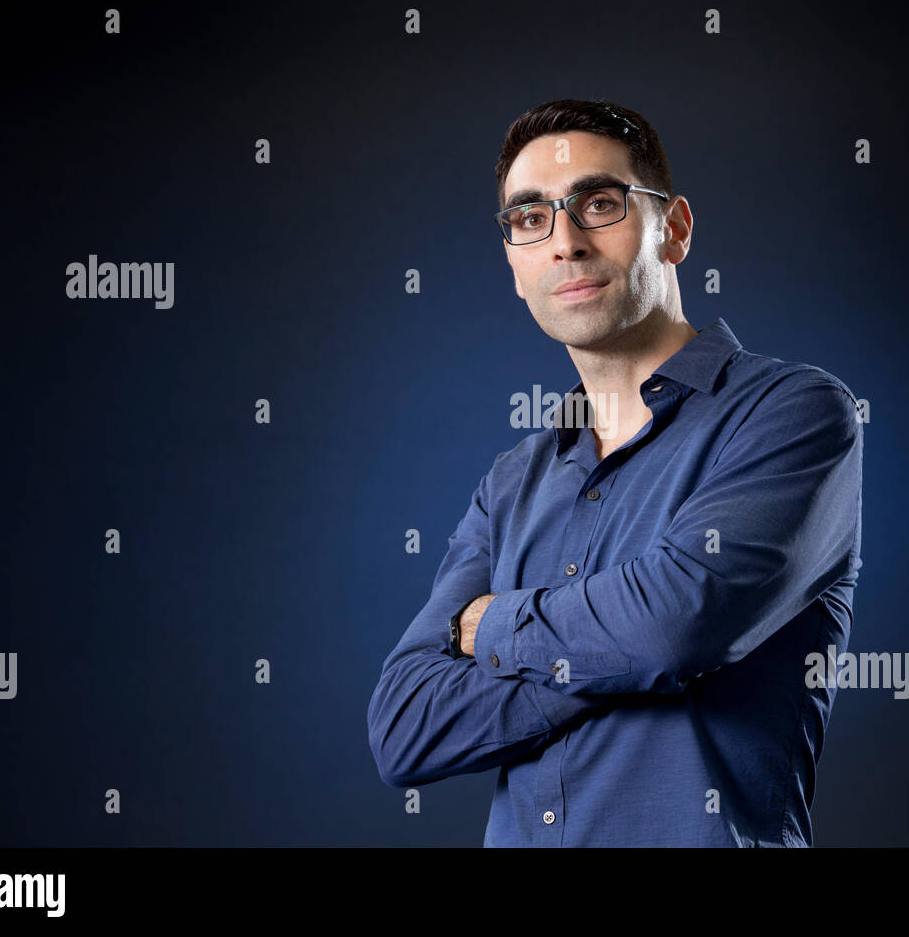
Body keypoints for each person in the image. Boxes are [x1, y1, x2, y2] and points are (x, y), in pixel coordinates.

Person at [367, 98, 864, 846]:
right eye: (531, 218)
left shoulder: (792, 413)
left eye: (599, 204)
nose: (565, 242)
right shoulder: (509, 483)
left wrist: (497, 626)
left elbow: (675, 625)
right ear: (514, 264)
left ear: (676, 229)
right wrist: (615, 651)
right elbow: (404, 730)